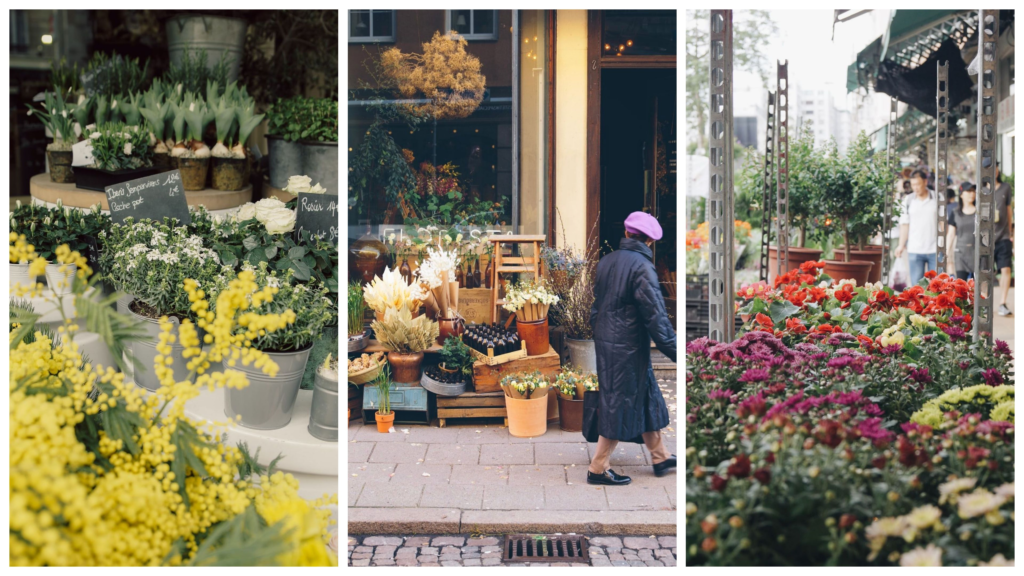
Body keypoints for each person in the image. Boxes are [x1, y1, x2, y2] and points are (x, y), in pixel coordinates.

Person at [587, 212, 676, 486]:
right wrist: (678, 353)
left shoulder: (606, 262)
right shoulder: (642, 268)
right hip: (627, 348)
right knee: (619, 403)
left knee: (646, 395)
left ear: (626, 234)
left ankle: (660, 456)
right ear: (650, 241)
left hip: (610, 343)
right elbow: (656, 316)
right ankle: (598, 468)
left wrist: (601, 334)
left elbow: (595, 308)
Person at [895, 169, 938, 284]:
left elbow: (943, 223)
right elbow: (905, 224)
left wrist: (944, 246)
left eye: (918, 184)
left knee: (937, 287)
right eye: (913, 185)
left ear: (925, 182)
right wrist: (900, 245)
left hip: (935, 249)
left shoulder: (937, 198)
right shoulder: (908, 200)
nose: (916, 188)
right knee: (917, 288)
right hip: (914, 249)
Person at [993, 163, 1013, 316]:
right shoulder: (980, 190)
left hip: (1004, 237)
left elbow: (1009, 210)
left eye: (996, 167)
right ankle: (983, 303)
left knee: (1006, 268)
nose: (995, 170)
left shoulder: (1006, 188)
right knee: (985, 271)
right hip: (985, 239)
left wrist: (1011, 232)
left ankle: (1002, 303)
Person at [946, 183, 976, 281]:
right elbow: (951, 234)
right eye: (969, 191)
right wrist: (946, 252)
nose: (972, 193)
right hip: (961, 254)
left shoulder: (979, 212)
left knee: (977, 289)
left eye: (973, 191)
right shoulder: (955, 213)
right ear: (961, 194)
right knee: (960, 286)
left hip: (977, 253)